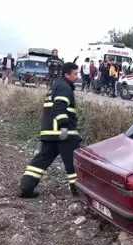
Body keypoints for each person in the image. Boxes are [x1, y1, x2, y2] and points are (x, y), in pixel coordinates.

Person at [18, 62, 81, 198]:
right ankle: (79, 192)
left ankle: (26, 187)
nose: (77, 76)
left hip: (49, 132)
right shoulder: (64, 87)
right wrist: (64, 126)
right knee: (74, 163)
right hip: (63, 133)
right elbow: (59, 107)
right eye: (75, 74)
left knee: (41, 160)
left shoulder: (56, 85)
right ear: (67, 74)